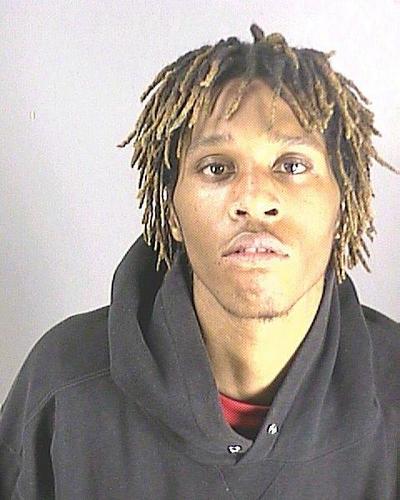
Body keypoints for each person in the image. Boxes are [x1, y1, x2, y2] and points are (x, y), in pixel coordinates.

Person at [1, 23, 399, 499]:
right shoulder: (63, 387)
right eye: (217, 168)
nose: (253, 199)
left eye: (292, 165)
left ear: (343, 203)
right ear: (172, 212)